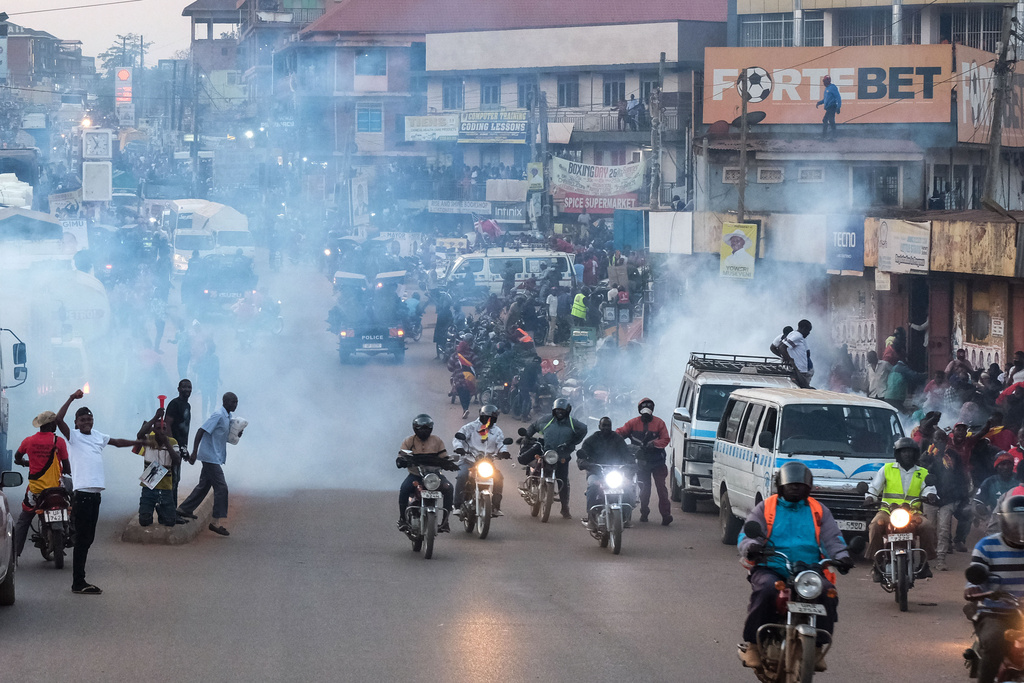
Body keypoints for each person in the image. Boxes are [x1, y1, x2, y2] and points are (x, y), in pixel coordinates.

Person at [737, 462, 854, 671]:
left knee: (828, 593)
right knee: (766, 591)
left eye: (800, 485)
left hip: (809, 570)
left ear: (808, 488)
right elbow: (747, 534)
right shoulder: (766, 507)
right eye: (791, 485)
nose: (795, 488)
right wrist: (752, 547)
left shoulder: (819, 510)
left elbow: (833, 539)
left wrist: (842, 557)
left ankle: (816, 648)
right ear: (781, 486)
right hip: (771, 566)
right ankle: (753, 645)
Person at [55, 390, 145, 595]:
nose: (87, 422)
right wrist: (71, 398)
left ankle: (80, 580)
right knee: (83, 540)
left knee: (87, 540)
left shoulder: (97, 436)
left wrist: (136, 442)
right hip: (84, 495)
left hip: (95, 496)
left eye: (90, 419)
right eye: (83, 420)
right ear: (76, 423)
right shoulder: (74, 437)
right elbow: (58, 419)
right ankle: (78, 582)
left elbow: (117, 442)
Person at [965, 494, 1024, 683]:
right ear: (1004, 521)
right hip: (995, 612)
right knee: (995, 640)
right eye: (1015, 521)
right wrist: (974, 588)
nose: (1019, 527)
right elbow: (976, 575)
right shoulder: (986, 546)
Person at [864, 437, 938, 579]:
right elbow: (874, 488)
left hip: (913, 513)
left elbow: (929, 488)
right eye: (903, 451)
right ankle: (877, 564)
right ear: (897, 454)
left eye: (910, 451)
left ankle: (924, 563)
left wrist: (930, 496)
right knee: (874, 525)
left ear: (915, 453)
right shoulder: (886, 469)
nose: (907, 454)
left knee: (928, 527)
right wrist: (870, 497)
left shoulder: (922, 472)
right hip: (887, 511)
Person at [176, 392, 238, 537]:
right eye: (232, 402)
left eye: (236, 402)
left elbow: (225, 436)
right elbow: (201, 431)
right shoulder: (218, 415)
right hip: (209, 456)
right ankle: (215, 522)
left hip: (215, 455)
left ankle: (184, 509)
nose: (235, 404)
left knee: (204, 485)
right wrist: (194, 452)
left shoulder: (228, 417)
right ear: (225, 402)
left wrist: (236, 434)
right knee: (221, 487)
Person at [13, 411, 70, 558]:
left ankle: (14, 554)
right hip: (57, 489)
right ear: (51, 424)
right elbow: (67, 466)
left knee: (24, 519)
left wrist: (25, 463)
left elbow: (17, 457)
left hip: (36, 491)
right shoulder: (59, 442)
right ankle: (71, 532)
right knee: (72, 506)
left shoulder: (28, 441)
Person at [524, 398, 588, 519]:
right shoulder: (546, 420)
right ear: (553, 410)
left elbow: (584, 429)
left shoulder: (573, 423)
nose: (560, 412)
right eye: (557, 410)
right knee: (535, 468)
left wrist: (572, 442)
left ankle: (565, 507)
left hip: (562, 456)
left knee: (563, 479)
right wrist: (527, 436)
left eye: (562, 410)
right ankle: (532, 485)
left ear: (567, 411)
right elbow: (533, 426)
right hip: (546, 453)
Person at [616, 398, 673, 525]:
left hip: (657, 461)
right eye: (644, 405)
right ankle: (644, 512)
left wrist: (654, 444)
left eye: (649, 406)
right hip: (641, 462)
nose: (646, 408)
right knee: (644, 488)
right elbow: (619, 433)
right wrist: (617, 441)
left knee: (661, 489)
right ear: (639, 409)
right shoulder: (632, 423)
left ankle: (666, 515)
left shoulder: (659, 423)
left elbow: (666, 439)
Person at [398, 414, 453, 531]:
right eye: (421, 428)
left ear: (431, 428)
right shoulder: (409, 441)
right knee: (404, 488)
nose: (424, 431)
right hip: (416, 475)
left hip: (435, 476)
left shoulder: (437, 441)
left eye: (427, 428)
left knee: (449, 488)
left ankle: (445, 521)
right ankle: (402, 518)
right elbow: (401, 456)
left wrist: (447, 463)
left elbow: (444, 456)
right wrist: (401, 461)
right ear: (415, 428)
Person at [577, 416, 635, 529]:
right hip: (596, 472)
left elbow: (626, 454)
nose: (606, 428)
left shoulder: (618, 439)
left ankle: (626, 517)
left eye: (608, 426)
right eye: (604, 425)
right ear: (599, 426)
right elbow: (582, 455)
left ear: (611, 427)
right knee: (593, 486)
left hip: (615, 472)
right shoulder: (591, 440)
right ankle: (591, 517)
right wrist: (585, 463)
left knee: (628, 487)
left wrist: (632, 464)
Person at [452, 405, 509, 515]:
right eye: (486, 418)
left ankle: (496, 507)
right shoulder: (471, 427)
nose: (488, 420)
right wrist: (459, 448)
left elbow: (501, 444)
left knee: (499, 478)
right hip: (469, 460)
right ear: (481, 416)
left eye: (491, 418)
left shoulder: (497, 431)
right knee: (462, 475)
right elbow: (458, 438)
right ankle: (457, 505)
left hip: (487, 462)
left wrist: (503, 452)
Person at [135, 408, 180, 527]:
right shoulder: (148, 440)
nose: (161, 431)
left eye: (164, 428)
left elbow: (177, 461)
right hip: (148, 487)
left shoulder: (173, 442)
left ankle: (161, 510)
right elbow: (139, 434)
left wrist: (167, 443)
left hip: (165, 488)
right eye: (158, 428)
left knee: (170, 522)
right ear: (153, 430)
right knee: (144, 521)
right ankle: (151, 509)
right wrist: (155, 417)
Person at [163, 378, 192, 518]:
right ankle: (170, 512)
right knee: (172, 480)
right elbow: (167, 425)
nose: (187, 390)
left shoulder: (187, 406)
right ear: (178, 389)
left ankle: (172, 511)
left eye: (189, 387)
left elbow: (184, 429)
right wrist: (173, 446)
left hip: (180, 448)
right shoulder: (174, 404)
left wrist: (184, 450)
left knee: (176, 479)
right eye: (184, 387)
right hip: (172, 448)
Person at [782, 319, 814, 388]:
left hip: (800, 369)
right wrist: (790, 360)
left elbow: (782, 346)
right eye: (808, 331)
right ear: (804, 328)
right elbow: (782, 347)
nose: (809, 333)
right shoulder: (798, 336)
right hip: (799, 370)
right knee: (804, 390)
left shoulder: (793, 334)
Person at [815, 74, 841, 140]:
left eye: (824, 81)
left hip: (832, 106)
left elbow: (838, 97)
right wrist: (819, 102)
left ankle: (828, 136)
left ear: (828, 81)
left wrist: (838, 107)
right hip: (828, 107)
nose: (823, 83)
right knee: (830, 120)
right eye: (823, 81)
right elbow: (825, 99)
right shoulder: (827, 89)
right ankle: (831, 135)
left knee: (827, 120)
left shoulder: (833, 87)